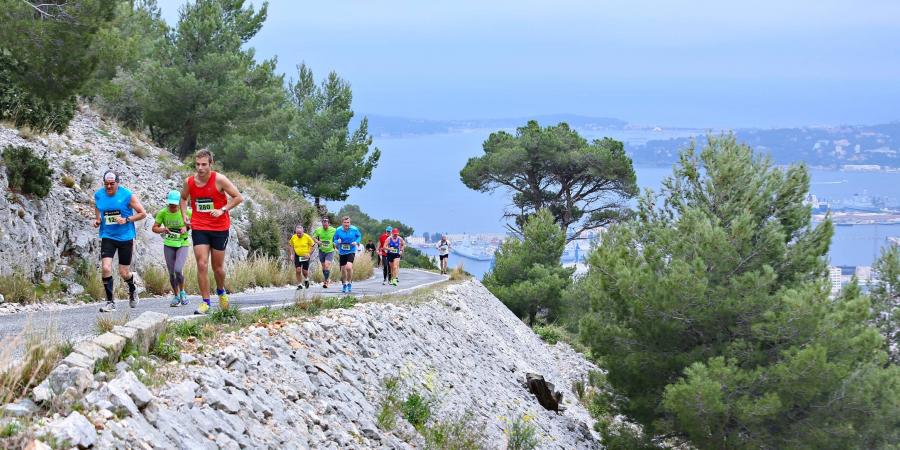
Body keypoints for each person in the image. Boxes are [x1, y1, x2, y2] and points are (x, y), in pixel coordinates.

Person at [180, 149, 243, 314]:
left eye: (203, 165)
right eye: (197, 164)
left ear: (210, 164)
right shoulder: (189, 182)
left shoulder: (220, 179)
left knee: (218, 268)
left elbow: (237, 197)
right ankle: (205, 302)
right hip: (199, 226)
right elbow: (183, 198)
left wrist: (222, 209)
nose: (200, 168)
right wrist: (184, 216)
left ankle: (221, 292)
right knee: (201, 264)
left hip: (219, 227)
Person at [93, 171, 147, 312]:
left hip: (125, 237)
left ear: (118, 183)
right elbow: (98, 206)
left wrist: (126, 219)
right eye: (106, 184)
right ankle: (110, 302)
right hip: (108, 236)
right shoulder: (99, 194)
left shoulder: (127, 195)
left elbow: (142, 213)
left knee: (124, 272)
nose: (109, 187)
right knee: (106, 268)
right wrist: (98, 219)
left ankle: (132, 287)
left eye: (112, 184)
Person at [152, 191, 191, 307]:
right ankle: (176, 295)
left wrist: (186, 226)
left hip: (182, 243)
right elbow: (154, 228)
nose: (173, 207)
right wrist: (163, 229)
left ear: (179, 203)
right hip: (169, 243)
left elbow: (196, 223)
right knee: (171, 273)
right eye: (171, 204)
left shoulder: (186, 212)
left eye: (175, 204)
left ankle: (183, 292)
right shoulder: (163, 213)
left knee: (178, 269)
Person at [333, 216, 362, 293]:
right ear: (342, 223)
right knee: (343, 269)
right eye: (345, 223)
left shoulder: (354, 229)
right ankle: (344, 284)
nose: (346, 224)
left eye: (348, 222)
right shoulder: (338, 230)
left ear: (350, 223)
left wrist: (356, 242)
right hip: (342, 251)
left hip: (351, 250)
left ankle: (349, 283)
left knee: (349, 267)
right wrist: (337, 241)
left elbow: (359, 236)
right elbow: (334, 239)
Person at [288, 224, 315, 290]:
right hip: (297, 255)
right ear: (296, 232)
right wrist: (291, 254)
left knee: (304, 271)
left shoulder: (307, 237)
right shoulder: (294, 237)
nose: (298, 234)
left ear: (303, 231)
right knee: (298, 270)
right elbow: (291, 245)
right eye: (297, 233)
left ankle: (306, 279)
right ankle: (299, 284)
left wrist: (309, 254)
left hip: (305, 255)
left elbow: (313, 246)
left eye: (300, 233)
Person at [312, 217, 337, 288]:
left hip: (330, 251)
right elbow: (313, 237)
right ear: (322, 224)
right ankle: (327, 278)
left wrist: (336, 242)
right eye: (323, 225)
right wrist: (318, 242)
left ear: (329, 224)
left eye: (326, 224)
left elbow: (338, 235)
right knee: (323, 267)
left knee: (326, 265)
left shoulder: (333, 230)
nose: (325, 226)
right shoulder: (318, 230)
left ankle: (326, 282)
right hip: (321, 251)